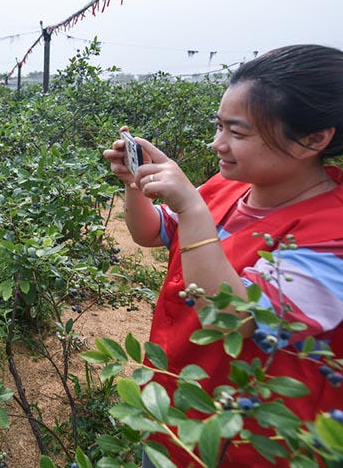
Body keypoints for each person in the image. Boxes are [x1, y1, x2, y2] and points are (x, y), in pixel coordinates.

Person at [103, 44, 343, 466]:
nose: (218, 144)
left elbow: (235, 320)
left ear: (314, 139)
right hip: (177, 409)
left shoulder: (332, 234)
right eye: (219, 127)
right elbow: (150, 232)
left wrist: (191, 209)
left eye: (238, 133)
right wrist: (136, 185)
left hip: (252, 443)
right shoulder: (230, 187)